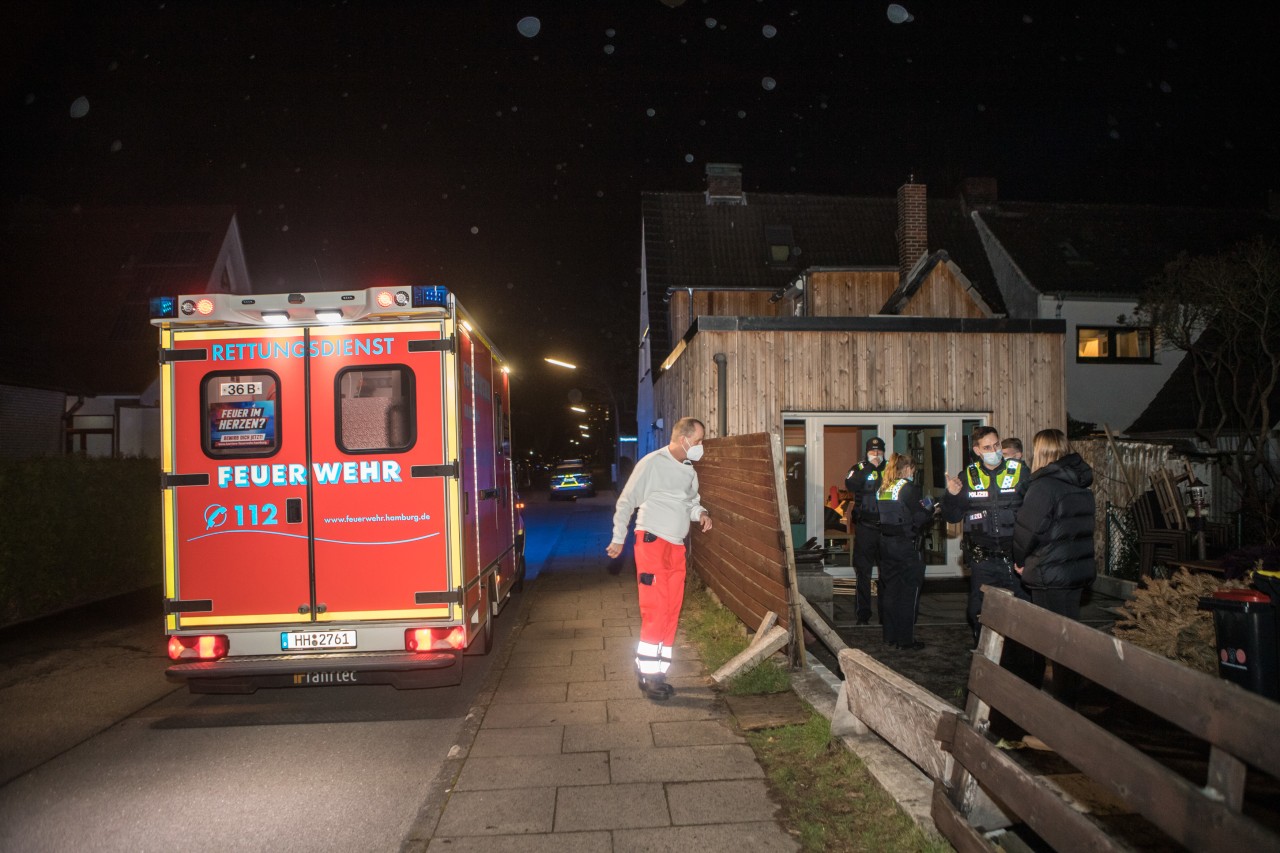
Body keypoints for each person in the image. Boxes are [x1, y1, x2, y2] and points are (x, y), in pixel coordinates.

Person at [607, 417, 713, 700]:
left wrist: (700, 514)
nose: (701, 446)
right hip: (652, 542)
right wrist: (618, 537)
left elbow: (690, 501)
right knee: (656, 609)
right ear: (684, 439)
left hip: (676, 546)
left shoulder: (689, 470)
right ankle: (648, 674)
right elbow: (626, 500)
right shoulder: (652, 463)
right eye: (699, 440)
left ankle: (659, 671)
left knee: (671, 609)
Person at [1012, 428, 1096, 704]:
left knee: (1048, 641)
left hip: (1049, 572)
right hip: (1073, 574)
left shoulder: (1044, 487)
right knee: (1068, 637)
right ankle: (1068, 696)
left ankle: (1054, 704)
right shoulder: (1078, 485)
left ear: (1042, 452)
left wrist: (1020, 560)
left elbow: (1027, 530)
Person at [942, 425, 1030, 644]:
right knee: (979, 611)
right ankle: (985, 657)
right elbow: (952, 516)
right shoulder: (969, 476)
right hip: (984, 561)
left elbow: (1035, 513)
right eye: (988, 447)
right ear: (978, 450)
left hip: (1016, 559)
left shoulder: (1020, 472)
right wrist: (951, 495)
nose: (994, 450)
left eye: (997, 445)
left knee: (1023, 614)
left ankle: (1019, 661)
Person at [874, 453, 933, 650]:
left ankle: (889, 636)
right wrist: (930, 509)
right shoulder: (908, 489)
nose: (914, 474)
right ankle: (906, 640)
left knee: (890, 590)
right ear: (907, 468)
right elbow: (919, 517)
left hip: (886, 544)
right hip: (906, 546)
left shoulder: (883, 488)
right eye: (913, 470)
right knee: (909, 592)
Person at [844, 436, 887, 625]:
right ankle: (863, 615)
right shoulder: (859, 468)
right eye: (872, 451)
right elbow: (850, 484)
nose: (876, 454)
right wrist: (870, 467)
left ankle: (887, 614)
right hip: (865, 528)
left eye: (879, 451)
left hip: (886, 529)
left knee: (887, 572)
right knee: (863, 572)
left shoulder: (891, 468)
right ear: (867, 453)